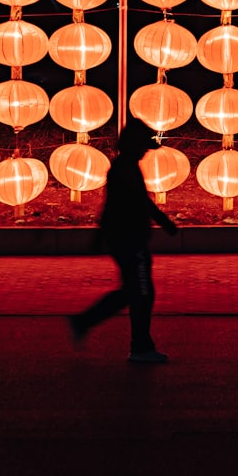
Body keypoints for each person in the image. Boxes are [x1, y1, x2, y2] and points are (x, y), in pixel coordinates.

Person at [69, 121, 179, 363]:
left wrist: (162, 221)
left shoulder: (126, 166)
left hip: (126, 238)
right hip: (130, 239)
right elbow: (124, 204)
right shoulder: (123, 169)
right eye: (143, 146)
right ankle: (139, 347)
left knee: (133, 291)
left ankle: (85, 321)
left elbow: (133, 202)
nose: (146, 151)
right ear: (134, 145)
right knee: (141, 292)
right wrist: (163, 221)